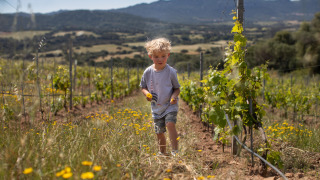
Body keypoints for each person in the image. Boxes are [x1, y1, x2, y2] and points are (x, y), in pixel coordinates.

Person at [140, 37, 180, 156]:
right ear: (150, 56)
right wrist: (147, 94)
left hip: (169, 105)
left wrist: (174, 97)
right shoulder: (148, 72)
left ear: (168, 55)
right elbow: (143, 87)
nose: (160, 59)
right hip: (156, 108)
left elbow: (177, 88)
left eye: (163, 56)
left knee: (170, 124)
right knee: (159, 132)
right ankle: (162, 153)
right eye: (156, 56)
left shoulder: (171, 71)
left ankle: (175, 151)